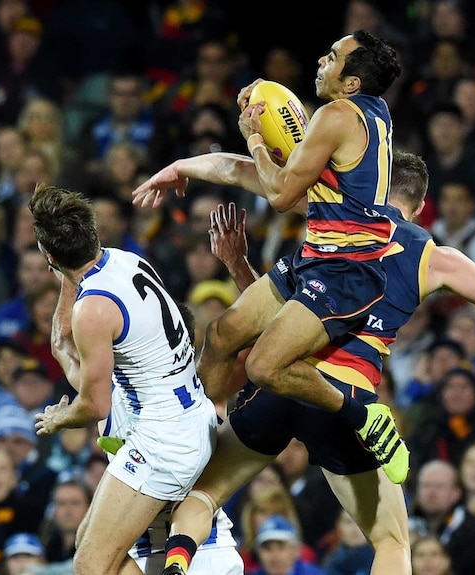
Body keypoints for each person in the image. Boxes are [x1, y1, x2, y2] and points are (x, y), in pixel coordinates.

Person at [145, 150, 475, 575]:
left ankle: (179, 561)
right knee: (391, 542)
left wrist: (183, 169)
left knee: (203, 496)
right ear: (422, 207)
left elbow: (243, 173)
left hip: (277, 387)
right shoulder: (433, 257)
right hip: (345, 396)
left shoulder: (332, 211)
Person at [132, 29, 411, 484]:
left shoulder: (337, 115)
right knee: (223, 334)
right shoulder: (367, 114)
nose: (321, 59)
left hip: (346, 272)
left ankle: (363, 415)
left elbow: (279, 193)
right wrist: (182, 167)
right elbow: (251, 175)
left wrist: (255, 137)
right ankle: (181, 437)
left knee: (263, 366)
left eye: (333, 56)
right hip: (316, 256)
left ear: (352, 83)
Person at [28, 184, 218, 575]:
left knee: (90, 566)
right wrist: (64, 275)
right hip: (188, 412)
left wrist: (59, 418)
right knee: (90, 545)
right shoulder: (127, 260)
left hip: (163, 441)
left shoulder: (93, 310)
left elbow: (93, 404)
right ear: (94, 235)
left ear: (49, 256)